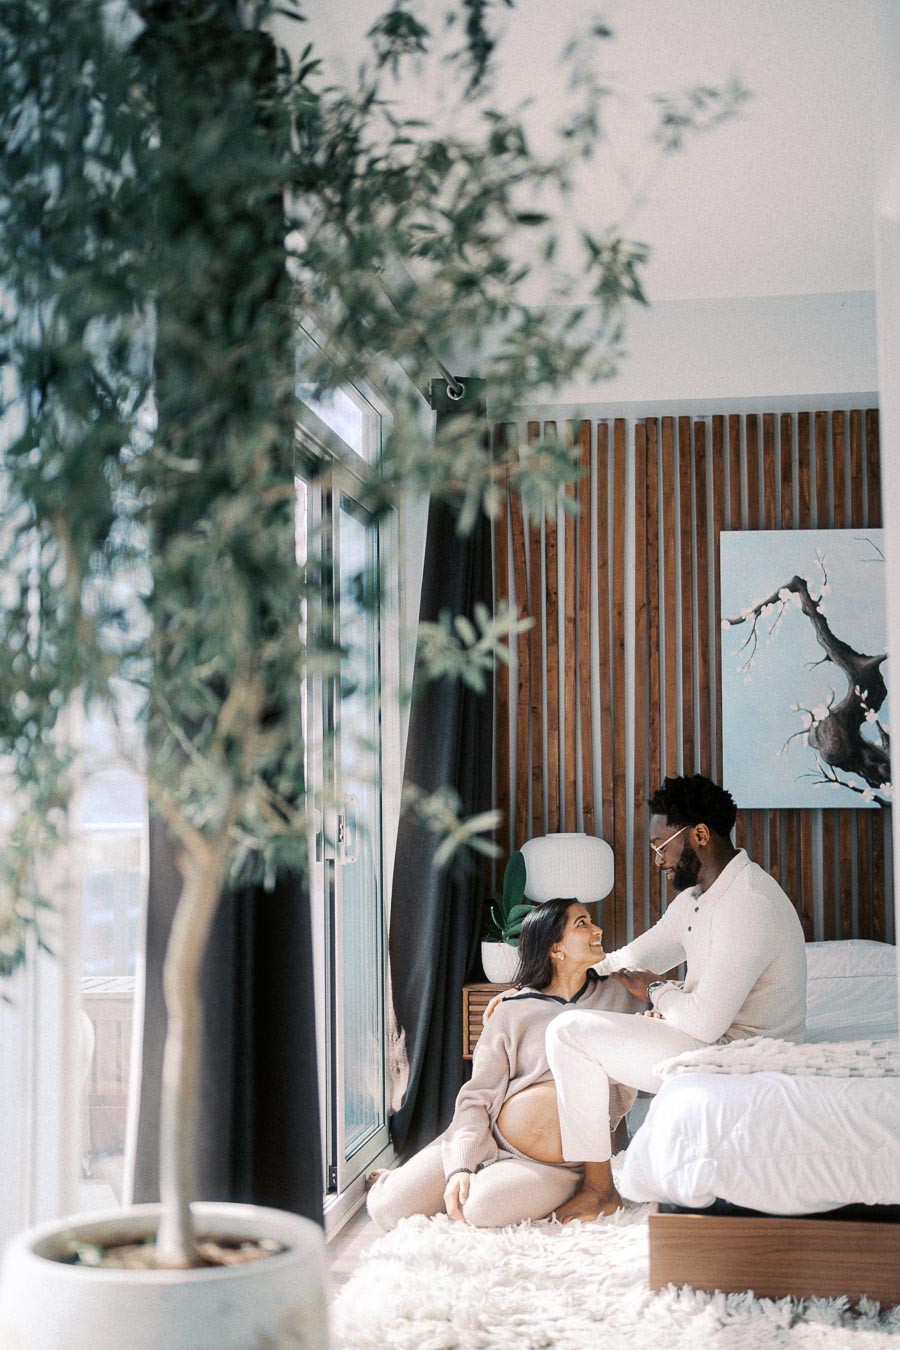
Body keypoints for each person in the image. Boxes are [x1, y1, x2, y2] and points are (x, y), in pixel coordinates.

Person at [484, 774, 808, 1222]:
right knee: (568, 1027)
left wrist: (658, 989)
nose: (659, 861)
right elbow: (625, 959)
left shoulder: (748, 904)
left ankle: (599, 1189)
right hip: (712, 1039)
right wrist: (527, 993)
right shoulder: (698, 899)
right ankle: (595, 1183)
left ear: (698, 835)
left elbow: (706, 1022)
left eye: (662, 846)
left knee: (569, 1032)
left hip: (746, 1054)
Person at [366, 898, 644, 1230]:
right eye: (582, 924)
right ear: (555, 948)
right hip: (490, 1138)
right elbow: (476, 1097)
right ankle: (399, 1179)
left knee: (482, 1208)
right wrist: (462, 1165)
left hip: (556, 1165)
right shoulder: (512, 1010)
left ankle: (490, 1182)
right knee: (386, 1208)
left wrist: (655, 1016)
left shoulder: (623, 997)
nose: (598, 929)